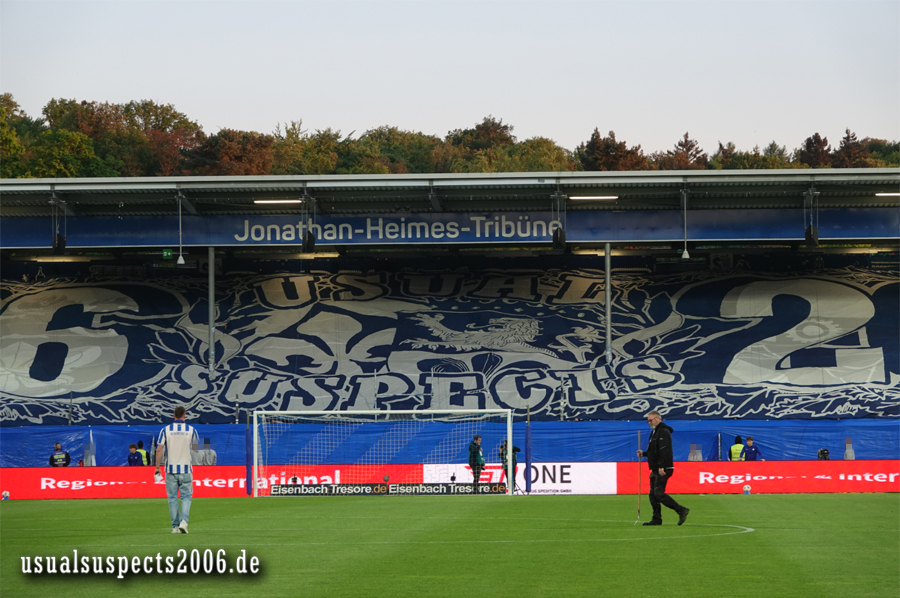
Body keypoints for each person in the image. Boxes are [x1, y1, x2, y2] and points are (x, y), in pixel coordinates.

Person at [636, 411, 689, 526]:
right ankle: (656, 519)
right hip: (656, 467)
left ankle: (681, 509)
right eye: (648, 421)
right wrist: (644, 454)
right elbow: (654, 451)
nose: (649, 422)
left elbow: (664, 450)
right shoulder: (655, 432)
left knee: (658, 493)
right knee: (652, 494)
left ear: (657, 419)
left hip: (663, 467)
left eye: (650, 420)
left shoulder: (663, 432)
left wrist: (661, 466)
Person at [155, 406, 199, 534]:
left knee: (172, 498)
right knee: (186, 497)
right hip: (186, 469)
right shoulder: (191, 430)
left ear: (173, 415)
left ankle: (175, 527)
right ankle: (184, 522)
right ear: (184, 415)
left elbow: (159, 449)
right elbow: (196, 449)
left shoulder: (165, 430)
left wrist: (157, 467)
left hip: (170, 469)